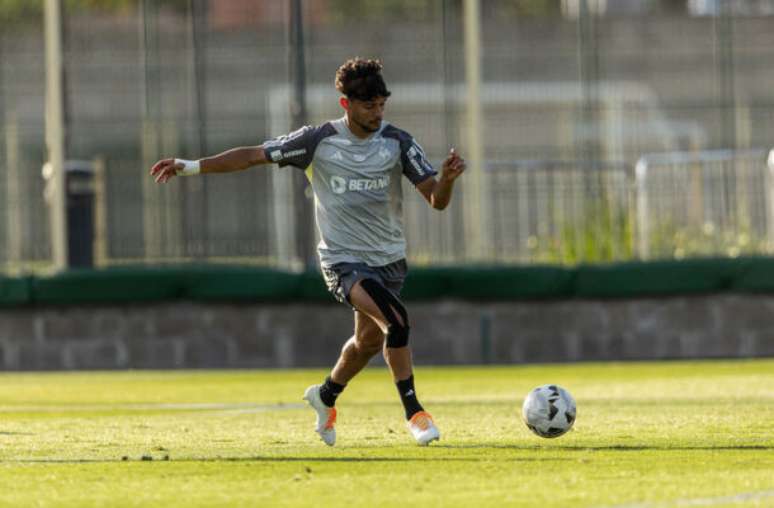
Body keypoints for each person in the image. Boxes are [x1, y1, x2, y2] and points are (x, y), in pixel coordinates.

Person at [150, 57, 465, 446]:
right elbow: (252, 155)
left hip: (389, 262)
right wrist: (190, 166)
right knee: (396, 322)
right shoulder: (317, 141)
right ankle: (415, 413)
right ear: (345, 104)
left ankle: (325, 395)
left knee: (367, 343)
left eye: (381, 104)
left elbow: (436, 200)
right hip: (343, 260)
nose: (377, 112)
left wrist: (447, 180)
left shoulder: (398, 142)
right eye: (369, 105)